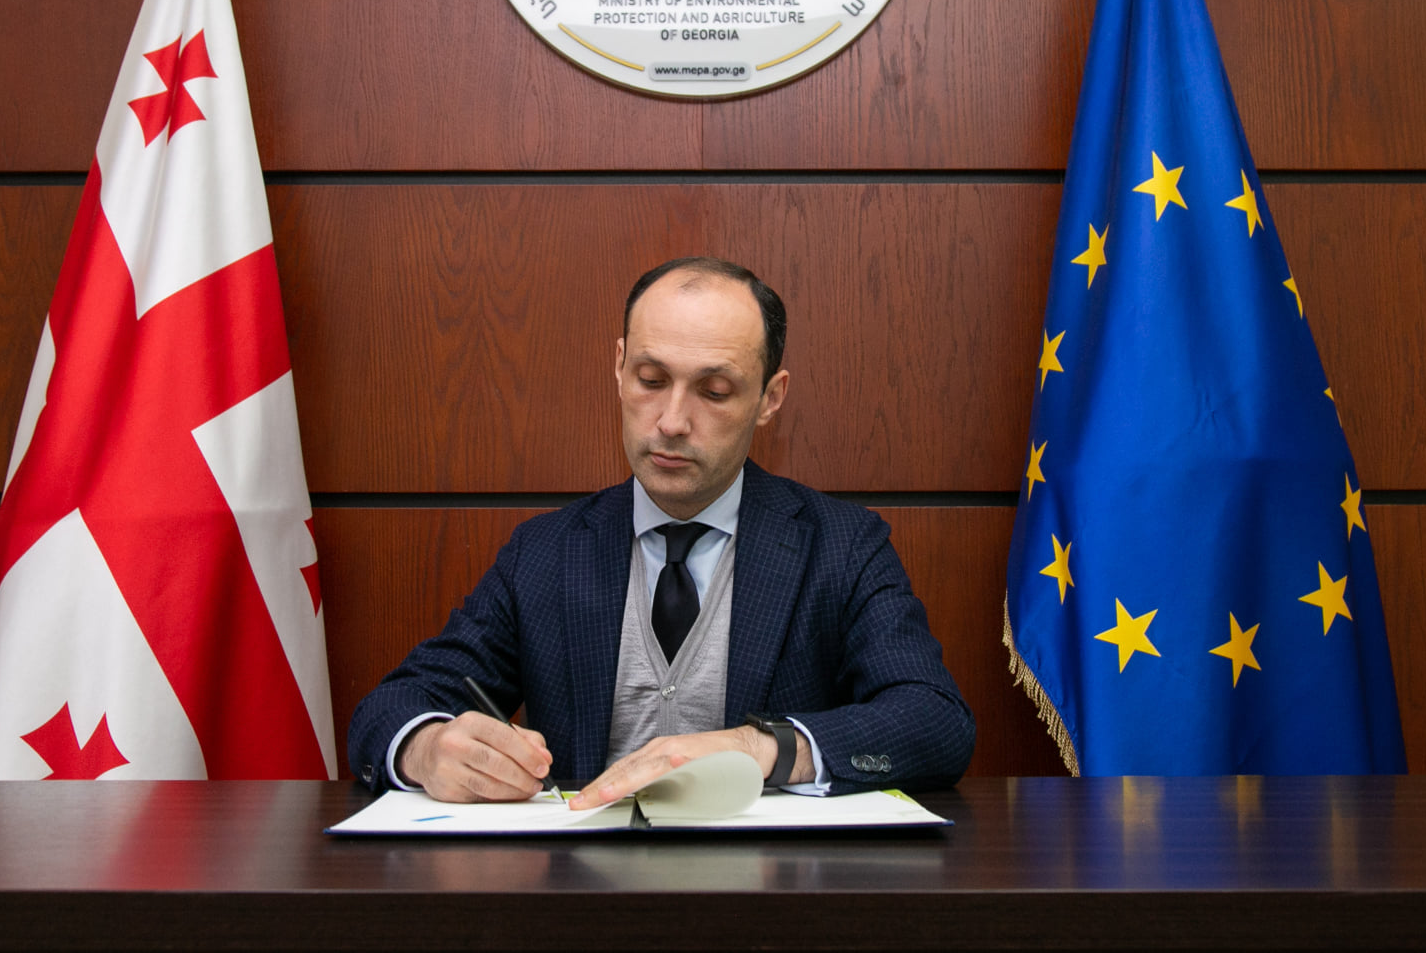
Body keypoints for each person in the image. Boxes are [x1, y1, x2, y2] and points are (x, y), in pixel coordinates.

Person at [347, 257, 974, 808]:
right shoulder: (545, 552)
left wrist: (763, 748)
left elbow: (935, 721)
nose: (672, 421)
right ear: (619, 368)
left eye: (715, 391)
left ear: (769, 398)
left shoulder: (842, 546)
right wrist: (426, 748)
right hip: (580, 887)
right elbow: (392, 706)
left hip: (770, 889)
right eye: (650, 380)